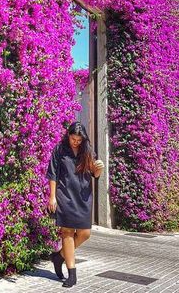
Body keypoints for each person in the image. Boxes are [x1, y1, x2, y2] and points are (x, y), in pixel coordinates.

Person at [46, 121, 104, 288]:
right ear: (68, 135)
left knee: (85, 233)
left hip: (84, 196)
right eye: (73, 139)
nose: (75, 142)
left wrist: (99, 168)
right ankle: (72, 274)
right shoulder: (60, 149)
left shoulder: (88, 150)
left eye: (79, 140)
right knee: (67, 232)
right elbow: (53, 174)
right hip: (64, 195)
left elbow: (95, 173)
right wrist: (52, 197)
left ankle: (58, 257)